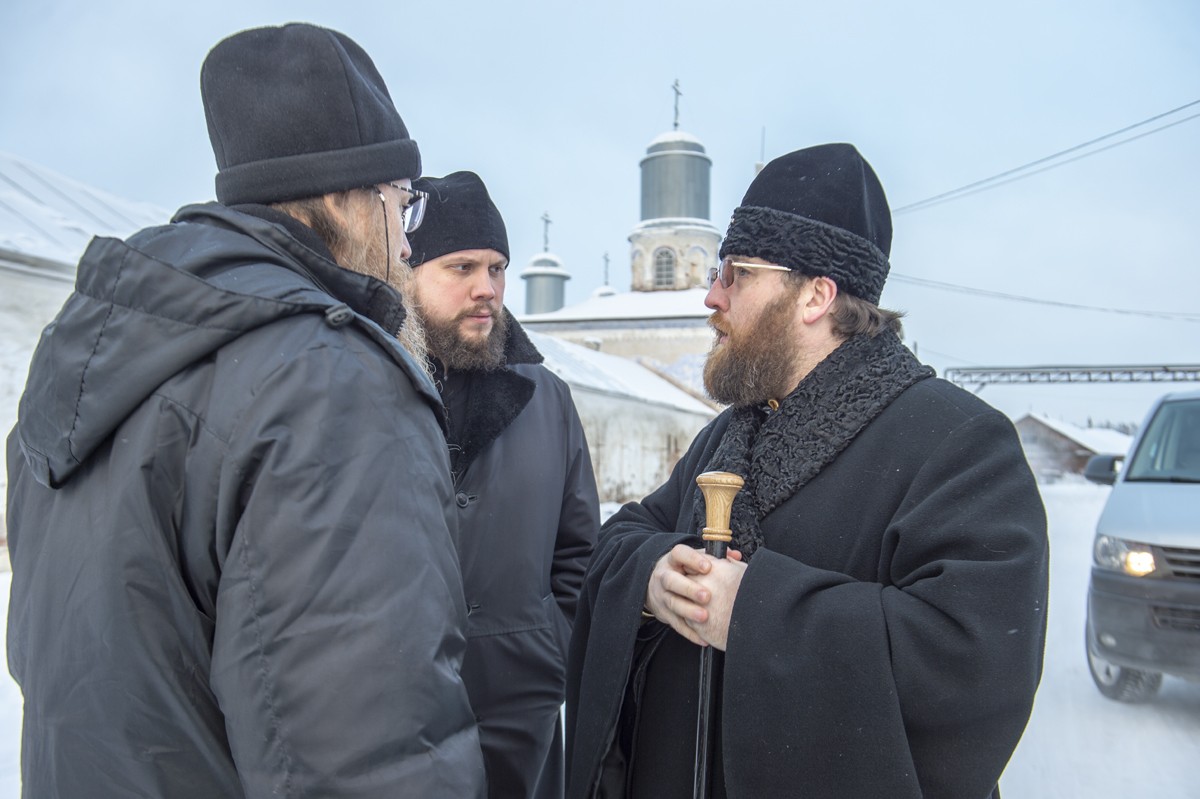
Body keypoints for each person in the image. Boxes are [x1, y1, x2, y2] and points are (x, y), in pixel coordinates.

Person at [6, 23, 485, 798]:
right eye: (403, 203)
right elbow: (370, 754)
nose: (406, 243)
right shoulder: (330, 379)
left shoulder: (91, 351)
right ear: (346, 198)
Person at [565, 143, 1049, 799]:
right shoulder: (730, 433)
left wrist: (754, 613)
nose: (712, 296)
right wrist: (653, 575)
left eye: (737, 274)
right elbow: (625, 534)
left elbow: (975, 665)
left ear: (816, 295)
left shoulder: (959, 442)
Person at [407, 171, 600, 799]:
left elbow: (578, 552)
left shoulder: (547, 398)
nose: (486, 288)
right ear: (408, 271)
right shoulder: (369, 384)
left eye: (496, 269)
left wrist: (546, 649)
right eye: (461, 267)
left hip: (523, 712)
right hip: (396, 714)